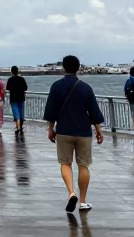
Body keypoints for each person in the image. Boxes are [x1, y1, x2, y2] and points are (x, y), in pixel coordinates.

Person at [43, 55, 105, 213]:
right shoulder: (86, 88)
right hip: (83, 132)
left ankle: (71, 193)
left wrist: (51, 128)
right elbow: (94, 113)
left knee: (65, 163)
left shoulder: (56, 86)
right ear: (78, 68)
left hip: (64, 131)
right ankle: (83, 202)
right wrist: (99, 131)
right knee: (83, 165)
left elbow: (51, 111)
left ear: (64, 67)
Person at [6, 65, 28, 139]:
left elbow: (7, 88)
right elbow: (25, 88)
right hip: (21, 98)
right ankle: (20, 126)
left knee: (16, 113)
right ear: (18, 71)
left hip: (13, 98)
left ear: (11, 72)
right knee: (21, 113)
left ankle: (17, 127)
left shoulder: (10, 80)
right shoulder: (22, 79)